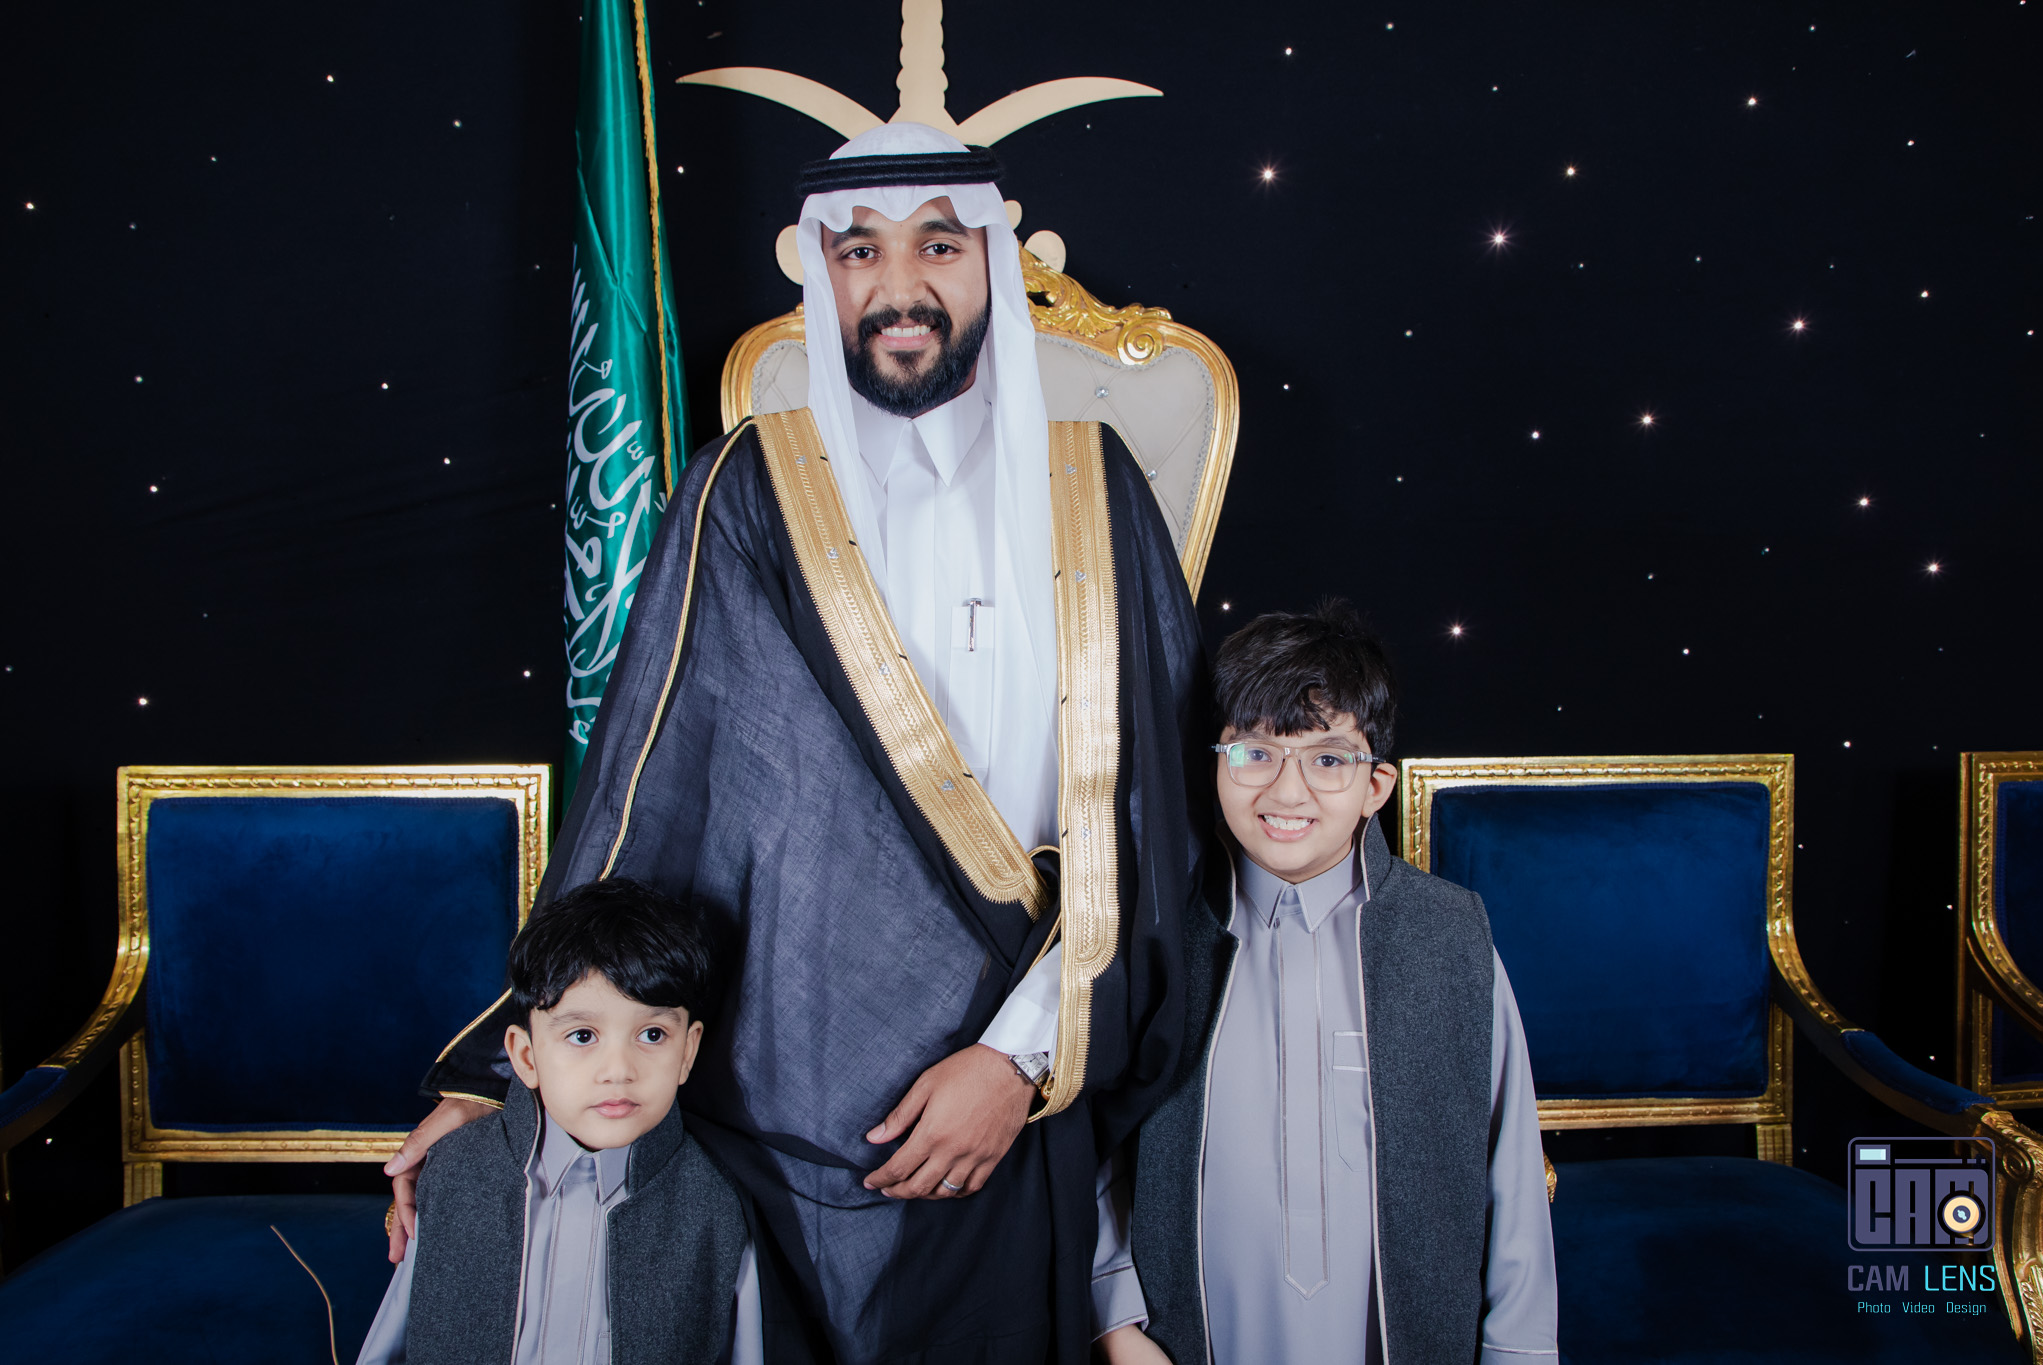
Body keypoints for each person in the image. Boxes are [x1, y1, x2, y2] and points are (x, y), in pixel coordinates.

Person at [387, 120, 1207, 1365]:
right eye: (859, 250)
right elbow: (640, 805)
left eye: (938, 246)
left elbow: (1156, 825)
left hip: (1022, 1078)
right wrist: (499, 1079)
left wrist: (1015, 1063)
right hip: (776, 1085)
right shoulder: (746, 490)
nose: (899, 285)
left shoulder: (1094, 488)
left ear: (991, 260)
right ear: (821, 273)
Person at [1092, 601, 1558, 1365]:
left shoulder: (1450, 940)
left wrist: (1519, 1354)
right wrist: (1115, 1324)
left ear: (1377, 784)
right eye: (1255, 752)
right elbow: (1094, 1145)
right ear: (1215, 764)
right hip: (1191, 1340)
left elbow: (1512, 1174)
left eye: (1329, 759)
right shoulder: (1159, 941)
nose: (1287, 791)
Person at [357, 878, 750, 1365]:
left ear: (687, 1051)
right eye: (583, 1036)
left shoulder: (714, 1206)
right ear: (525, 1057)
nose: (618, 1071)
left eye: (652, 1034)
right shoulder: (456, 1174)